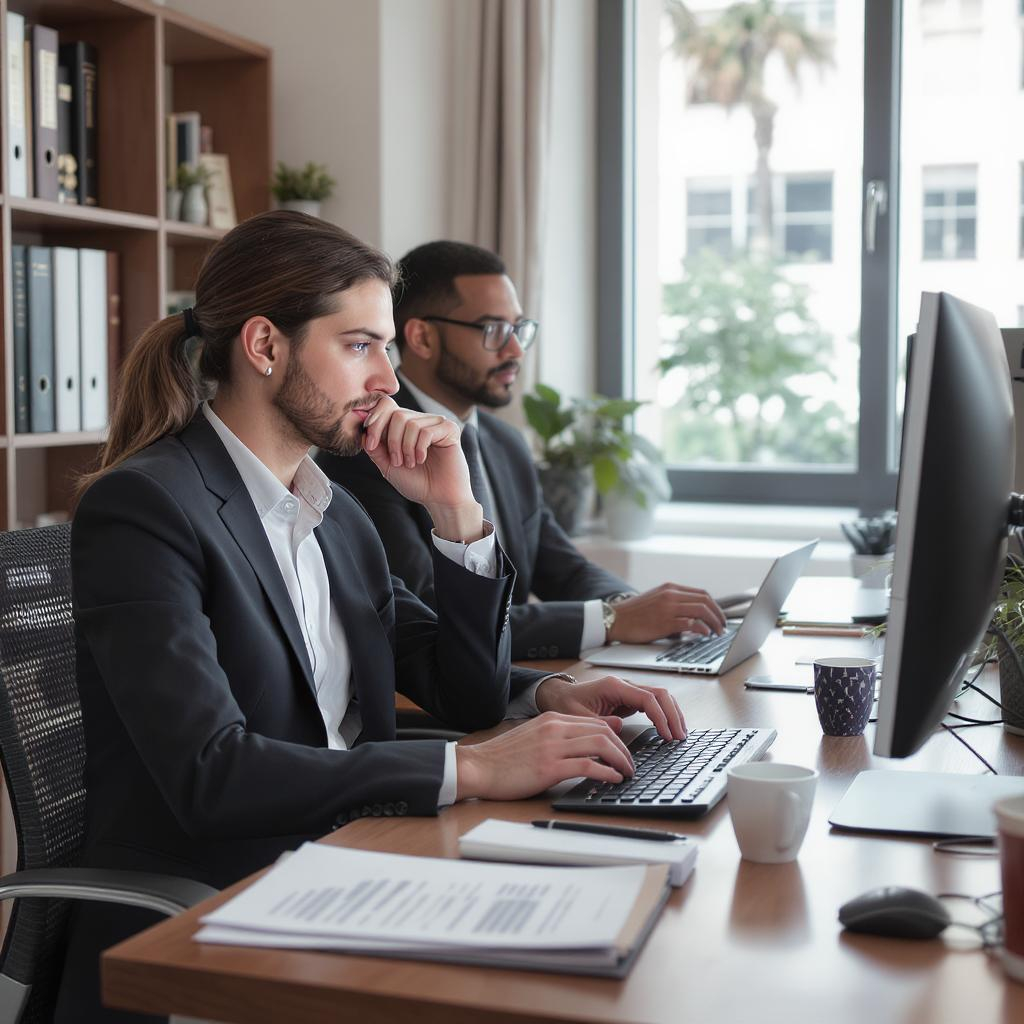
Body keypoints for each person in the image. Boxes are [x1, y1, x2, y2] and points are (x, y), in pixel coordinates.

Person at [58, 212, 687, 1024]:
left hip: (348, 866)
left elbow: (459, 693)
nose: (388, 378)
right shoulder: (146, 507)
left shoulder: (333, 510)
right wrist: (475, 770)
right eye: (360, 345)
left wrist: (457, 515)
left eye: (387, 348)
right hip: (212, 908)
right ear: (264, 346)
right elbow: (212, 775)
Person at [317, 241, 727, 662]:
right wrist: (610, 621)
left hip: (517, 682)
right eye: (494, 330)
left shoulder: (505, 442)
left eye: (519, 329)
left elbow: (561, 566)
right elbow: (431, 614)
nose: (515, 350)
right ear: (422, 336)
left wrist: (632, 607)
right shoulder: (366, 449)